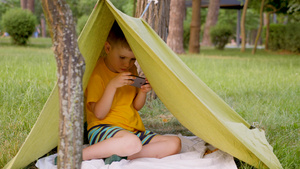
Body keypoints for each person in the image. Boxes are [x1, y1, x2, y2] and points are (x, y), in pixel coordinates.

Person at [82, 21, 181, 164]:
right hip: (103, 129)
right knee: (132, 142)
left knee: (174, 143)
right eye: (122, 57)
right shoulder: (96, 73)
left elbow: (136, 106)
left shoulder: (131, 70)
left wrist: (142, 92)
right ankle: (79, 155)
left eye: (132, 59)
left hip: (132, 131)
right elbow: (99, 114)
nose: (127, 64)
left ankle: (123, 156)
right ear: (108, 48)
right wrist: (112, 85)